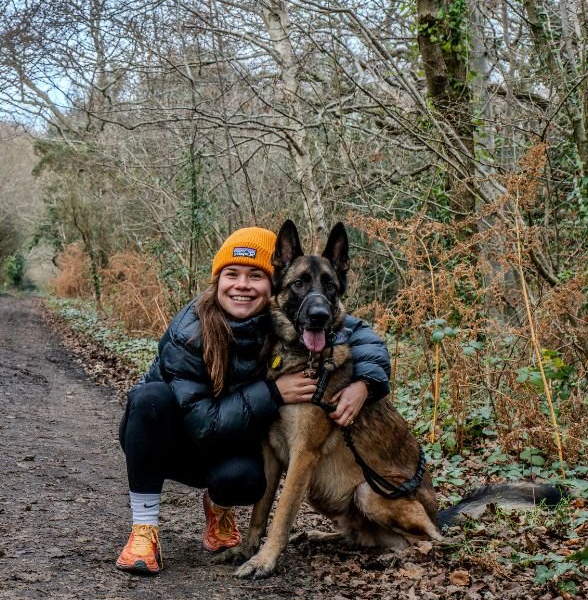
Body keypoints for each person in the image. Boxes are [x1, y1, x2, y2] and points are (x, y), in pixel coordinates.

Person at [115, 226, 391, 575]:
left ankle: (219, 510)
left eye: (255, 276)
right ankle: (144, 528)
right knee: (150, 398)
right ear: (217, 281)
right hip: (168, 439)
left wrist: (366, 383)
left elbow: (361, 335)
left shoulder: (281, 317)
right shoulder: (190, 330)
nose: (242, 285)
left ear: (271, 285)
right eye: (232, 274)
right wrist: (274, 393)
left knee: (246, 478)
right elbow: (202, 424)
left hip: (225, 437)